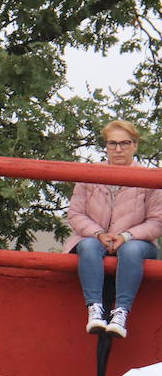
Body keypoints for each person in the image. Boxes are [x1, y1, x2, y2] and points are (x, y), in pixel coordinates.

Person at [64, 119, 162, 339]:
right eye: (112, 143)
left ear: (135, 146)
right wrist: (98, 234)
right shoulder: (89, 175)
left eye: (125, 143)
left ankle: (121, 313)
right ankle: (94, 309)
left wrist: (126, 236)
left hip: (136, 241)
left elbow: (157, 222)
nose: (118, 149)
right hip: (94, 237)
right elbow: (75, 214)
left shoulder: (150, 179)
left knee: (132, 250)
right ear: (106, 146)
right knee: (87, 245)